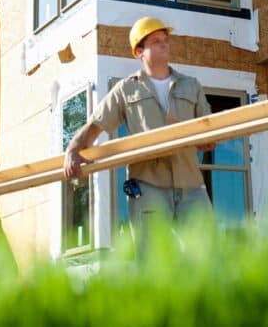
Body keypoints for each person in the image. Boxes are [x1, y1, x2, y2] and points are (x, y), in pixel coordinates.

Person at [63, 16, 215, 251]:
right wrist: (73, 149)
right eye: (155, 41)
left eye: (165, 39)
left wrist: (209, 140)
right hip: (148, 186)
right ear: (139, 52)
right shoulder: (126, 89)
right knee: (153, 261)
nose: (164, 44)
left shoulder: (191, 85)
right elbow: (95, 125)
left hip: (190, 183)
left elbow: (209, 128)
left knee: (208, 257)